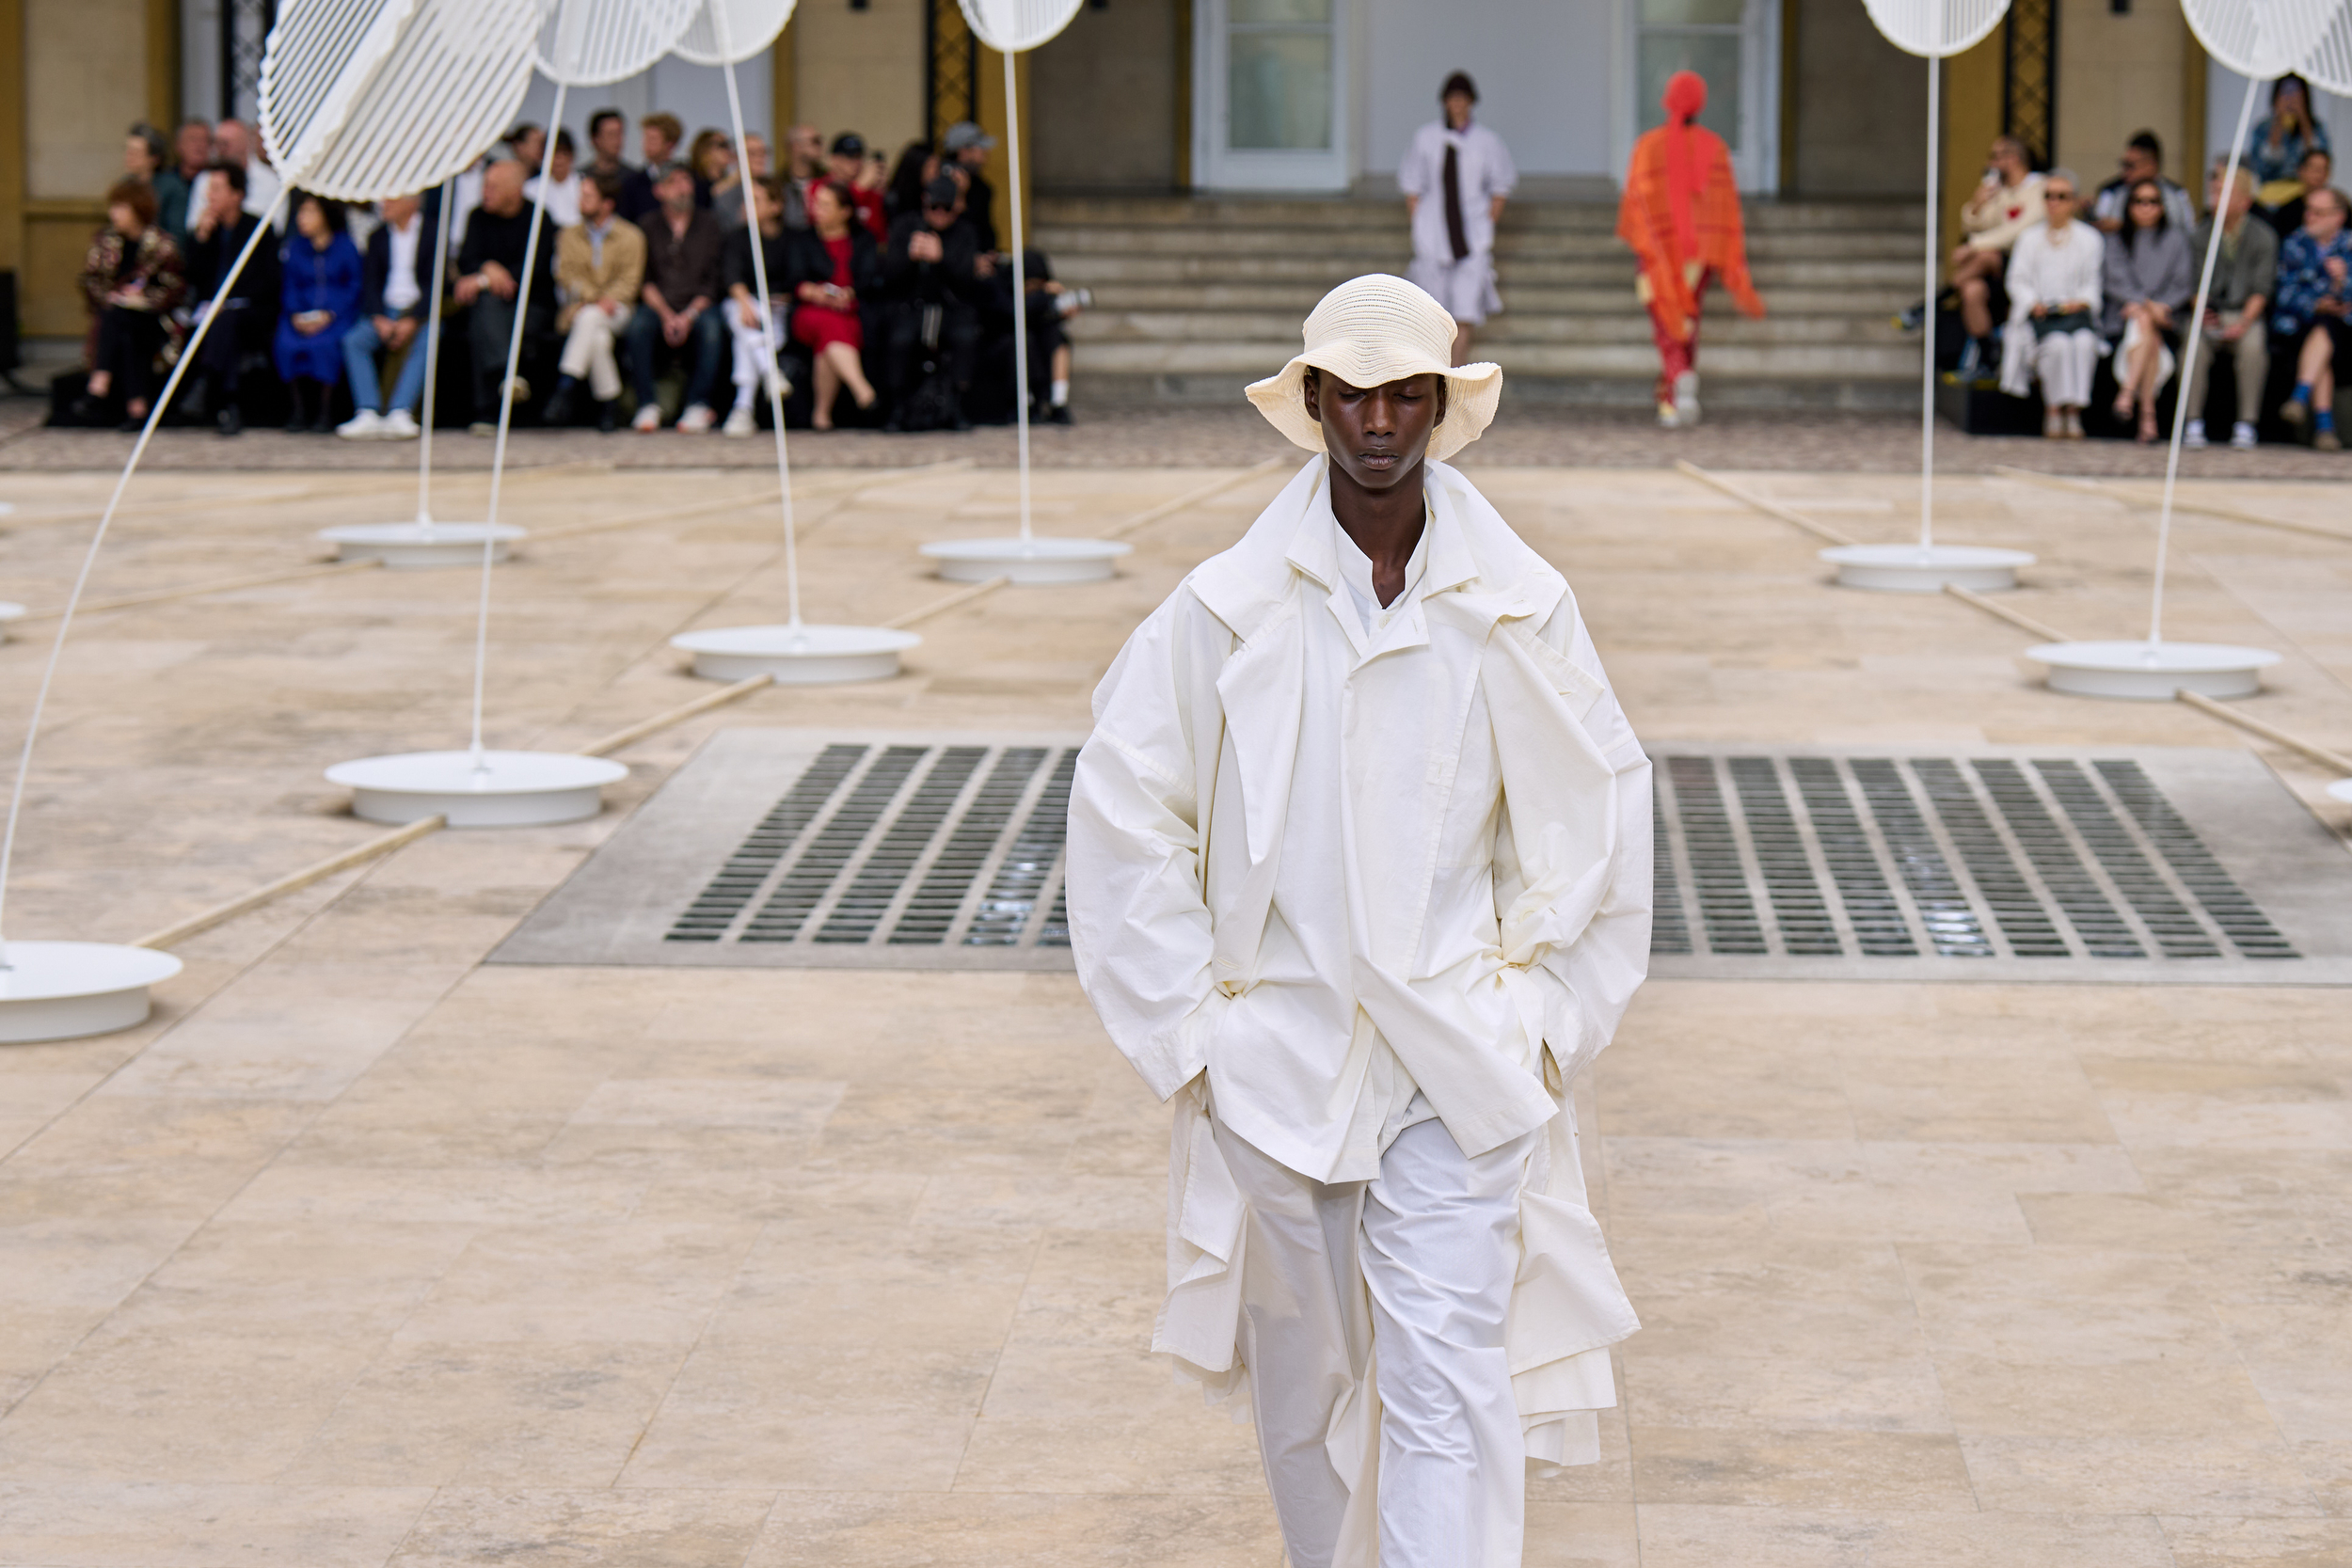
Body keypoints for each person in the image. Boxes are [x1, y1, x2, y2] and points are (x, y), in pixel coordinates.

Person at [1067, 272, 1648, 1568]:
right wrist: (1198, 1035)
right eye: (1355, 392)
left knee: (1449, 1377)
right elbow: (1123, 804)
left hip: (1457, 1054)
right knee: (1310, 1391)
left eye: (1405, 394)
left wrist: (1542, 1015)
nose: (1378, 420)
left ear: (1441, 406)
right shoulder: (1227, 606)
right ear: (1315, 400)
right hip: (1281, 1056)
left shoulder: (1519, 601)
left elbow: (1600, 810)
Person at [1617, 69, 1764, 428]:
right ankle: (1679, 388)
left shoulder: (1647, 147)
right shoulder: (1715, 148)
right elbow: (1724, 206)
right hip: (1697, 256)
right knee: (1687, 321)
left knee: (1664, 322)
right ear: (1700, 103)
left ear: (1668, 99)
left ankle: (1677, 379)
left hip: (1657, 255)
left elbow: (1637, 202)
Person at [1398, 71, 1516, 367]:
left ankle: (1456, 373)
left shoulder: (1487, 142)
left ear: (1471, 102)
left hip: (1470, 237)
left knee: (1465, 310)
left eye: (1463, 98)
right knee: (1434, 311)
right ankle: (1434, 373)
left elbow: (1500, 187)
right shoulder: (1426, 138)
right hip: (1434, 236)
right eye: (1452, 98)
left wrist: (1485, 226)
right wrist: (1421, 227)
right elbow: (1413, 185)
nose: (1457, 104)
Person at [876, 173, 987, 430]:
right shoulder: (905, 226)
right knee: (899, 339)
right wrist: (909, 258)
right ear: (924, 202)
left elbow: (967, 281)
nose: (939, 214)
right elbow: (889, 277)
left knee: (965, 337)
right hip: (910, 305)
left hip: (951, 307)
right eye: (933, 207)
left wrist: (942, 258)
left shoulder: (966, 232)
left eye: (946, 208)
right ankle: (897, 408)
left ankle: (957, 407)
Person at [453, 158, 558, 433]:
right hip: (492, 302)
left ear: (515, 192)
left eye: (492, 187)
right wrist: (487, 270)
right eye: (484, 186)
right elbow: (467, 260)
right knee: (486, 310)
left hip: (532, 303)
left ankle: (486, 410)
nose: (484, 193)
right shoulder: (477, 216)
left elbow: (535, 268)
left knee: (486, 321)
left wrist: (488, 277)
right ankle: (508, 376)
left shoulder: (539, 218)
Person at [1998, 169, 2104, 439]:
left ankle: (2075, 411)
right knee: (2056, 346)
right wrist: (2033, 303)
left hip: (2075, 317)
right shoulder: (2029, 238)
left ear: (2074, 201)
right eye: (2049, 196)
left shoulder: (2090, 239)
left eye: (2061, 196)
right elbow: (2016, 280)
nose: (2054, 202)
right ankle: (2054, 409)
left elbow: (2093, 283)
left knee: (2081, 344)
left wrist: (2078, 302)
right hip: (2042, 319)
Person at [75, 178, 185, 429]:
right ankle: (137, 409)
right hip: (119, 320)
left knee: (125, 318)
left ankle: (98, 385)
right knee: (123, 321)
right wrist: (113, 297)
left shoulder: (162, 245)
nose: (114, 213)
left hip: (156, 322)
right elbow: (89, 281)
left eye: (120, 207)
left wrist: (142, 299)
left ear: (138, 208)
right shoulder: (105, 241)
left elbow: (176, 289)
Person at [626, 159, 727, 433]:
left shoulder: (710, 223)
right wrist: (667, 315)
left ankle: (698, 403)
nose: (682, 189)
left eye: (686, 181)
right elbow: (644, 281)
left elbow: (713, 281)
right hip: (660, 304)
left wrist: (688, 316)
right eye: (673, 183)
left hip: (699, 304)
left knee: (712, 329)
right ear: (659, 191)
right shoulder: (647, 225)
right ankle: (647, 403)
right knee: (638, 327)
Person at [2182, 163, 2276, 451]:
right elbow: (2194, 283)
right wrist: (2202, 312)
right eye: (2213, 190)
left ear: (2244, 200)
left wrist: (2243, 323)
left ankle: (2246, 423)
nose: (2214, 196)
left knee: (2253, 348)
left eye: (2223, 191)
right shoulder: (2201, 234)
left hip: (2245, 312)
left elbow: (2262, 289)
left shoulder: (2263, 236)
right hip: (2210, 311)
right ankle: (2192, 421)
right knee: (2192, 345)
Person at [181, 160, 279, 436]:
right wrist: (201, 238)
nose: (209, 196)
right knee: (221, 323)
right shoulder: (204, 233)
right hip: (209, 310)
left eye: (216, 189)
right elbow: (194, 280)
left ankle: (206, 382)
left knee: (228, 322)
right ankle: (229, 404)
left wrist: (231, 301)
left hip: (249, 310)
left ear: (237, 195)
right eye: (209, 189)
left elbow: (269, 281)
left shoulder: (259, 229)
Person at [546, 167, 644, 433]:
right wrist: (594, 299)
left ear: (607, 203)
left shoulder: (631, 236)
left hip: (619, 309)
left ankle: (566, 384)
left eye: (588, 197)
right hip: (580, 307)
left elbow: (630, 281)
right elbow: (567, 275)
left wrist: (607, 300)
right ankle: (609, 405)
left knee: (592, 319)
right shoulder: (569, 235)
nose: (581, 202)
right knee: (596, 334)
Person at [336, 191, 438, 438]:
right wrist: (378, 317)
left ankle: (400, 411)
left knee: (428, 340)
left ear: (411, 201)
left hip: (417, 311)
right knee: (354, 341)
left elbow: (435, 283)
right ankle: (368, 410)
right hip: (384, 310)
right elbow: (370, 282)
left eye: (391, 198)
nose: (383, 203)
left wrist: (412, 319)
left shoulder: (433, 233)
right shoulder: (378, 235)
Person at [1942, 135, 2046, 378]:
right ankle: (1986, 351)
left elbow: (2016, 231)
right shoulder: (2000, 191)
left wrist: (1975, 247)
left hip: (2027, 267)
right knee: (1971, 289)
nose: (1990, 163)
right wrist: (1977, 205)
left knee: (1987, 254)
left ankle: (1943, 294)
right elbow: (1977, 226)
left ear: (2012, 158)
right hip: (1997, 271)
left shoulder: (2040, 188)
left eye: (1995, 156)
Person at [780, 179, 880, 432]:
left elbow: (870, 279)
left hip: (851, 311)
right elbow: (794, 280)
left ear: (844, 211)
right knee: (830, 325)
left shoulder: (863, 239)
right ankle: (863, 390)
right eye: (816, 204)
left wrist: (849, 293)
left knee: (830, 340)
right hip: (810, 311)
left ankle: (821, 414)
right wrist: (817, 294)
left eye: (825, 205)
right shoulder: (803, 239)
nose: (817, 210)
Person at [2102, 176, 2193, 442]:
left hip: (2166, 316)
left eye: (2153, 202)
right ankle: (2147, 416)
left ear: (2162, 207)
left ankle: (2127, 394)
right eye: (2139, 201)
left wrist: (2156, 307)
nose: (2146, 207)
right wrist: (2146, 306)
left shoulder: (2176, 240)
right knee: (2146, 329)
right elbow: (2114, 280)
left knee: (2147, 324)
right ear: (2129, 206)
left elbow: (2182, 283)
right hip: (2124, 316)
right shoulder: (2117, 238)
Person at [273, 193, 362, 432]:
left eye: (310, 212)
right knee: (286, 343)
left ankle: (325, 411)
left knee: (325, 345)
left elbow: (354, 285)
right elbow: (289, 285)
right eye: (301, 212)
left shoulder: (345, 246)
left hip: (335, 315)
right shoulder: (295, 247)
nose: (302, 218)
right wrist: (295, 314)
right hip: (300, 313)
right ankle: (299, 410)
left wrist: (331, 313)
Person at [2273, 184, 2351, 451]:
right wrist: (2317, 304)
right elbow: (2283, 294)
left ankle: (2301, 396)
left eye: (2319, 212)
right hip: (2300, 326)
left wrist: (2344, 284)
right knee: (2322, 332)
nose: (2310, 218)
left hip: (2345, 332)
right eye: (2309, 211)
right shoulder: (2294, 243)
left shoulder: (2350, 246)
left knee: (2327, 329)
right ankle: (2324, 428)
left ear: (2338, 217)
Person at [187, 119, 284, 233]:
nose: (220, 148)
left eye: (225, 143)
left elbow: (275, 227)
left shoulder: (270, 181)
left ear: (244, 143)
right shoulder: (204, 178)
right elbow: (193, 225)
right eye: (216, 142)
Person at [2092, 132, 2195, 236]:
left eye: (2130, 165)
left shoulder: (2177, 194)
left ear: (2151, 164)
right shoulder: (2113, 192)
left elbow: (2186, 231)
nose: (2125, 172)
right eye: (2123, 164)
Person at [2251, 74, 2330, 193]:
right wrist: (2279, 119)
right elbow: (2262, 165)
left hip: (2306, 191)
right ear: (2276, 96)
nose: (2290, 98)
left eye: (2296, 93)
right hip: (2271, 191)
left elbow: (2318, 156)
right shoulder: (2263, 128)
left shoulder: (2316, 126)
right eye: (2285, 93)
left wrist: (2303, 116)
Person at [942, 120, 998, 252]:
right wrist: (960, 194)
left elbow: (985, 229)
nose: (986, 152)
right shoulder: (939, 180)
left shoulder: (981, 187)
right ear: (964, 152)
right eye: (981, 148)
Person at [620, 112, 685, 222]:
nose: (646, 144)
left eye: (653, 139)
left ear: (670, 144)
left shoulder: (686, 179)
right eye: (645, 138)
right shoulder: (632, 183)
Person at [829, 133, 890, 241]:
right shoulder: (821, 186)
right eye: (850, 157)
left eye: (859, 157)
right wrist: (859, 188)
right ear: (835, 160)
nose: (856, 162)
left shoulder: (871, 190)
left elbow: (879, 233)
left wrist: (883, 192)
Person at [159, 119, 212, 245]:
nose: (199, 146)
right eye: (193, 140)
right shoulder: (166, 182)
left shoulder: (216, 180)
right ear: (178, 145)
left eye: (204, 140)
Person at [2265, 148, 2332, 241]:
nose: (2318, 173)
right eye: (2313, 167)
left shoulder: (2339, 210)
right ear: (2300, 171)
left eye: (2323, 168)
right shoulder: (2286, 211)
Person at [526, 127, 581, 228]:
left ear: (571, 156)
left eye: (564, 153)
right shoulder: (531, 188)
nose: (559, 160)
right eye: (554, 153)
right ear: (543, 157)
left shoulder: (584, 185)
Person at [713, 132, 769, 229]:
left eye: (763, 152)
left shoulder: (775, 187)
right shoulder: (725, 192)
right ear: (736, 157)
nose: (759, 158)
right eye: (752, 153)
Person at [585, 108, 631, 184]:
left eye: (619, 134)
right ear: (596, 139)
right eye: (611, 135)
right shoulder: (582, 178)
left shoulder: (633, 179)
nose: (617, 141)